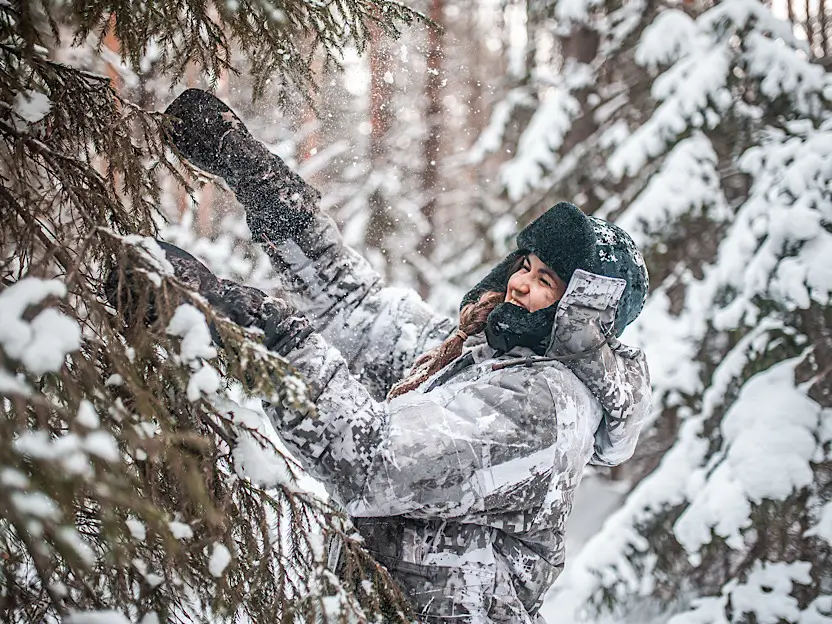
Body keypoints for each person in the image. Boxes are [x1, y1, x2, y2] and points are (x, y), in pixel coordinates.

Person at [147, 89, 652, 623]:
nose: (520, 284)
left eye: (546, 280)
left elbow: (369, 459)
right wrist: (258, 180)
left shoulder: (548, 407)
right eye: (525, 264)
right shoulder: (474, 356)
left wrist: (245, 318)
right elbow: (351, 306)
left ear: (582, 311)